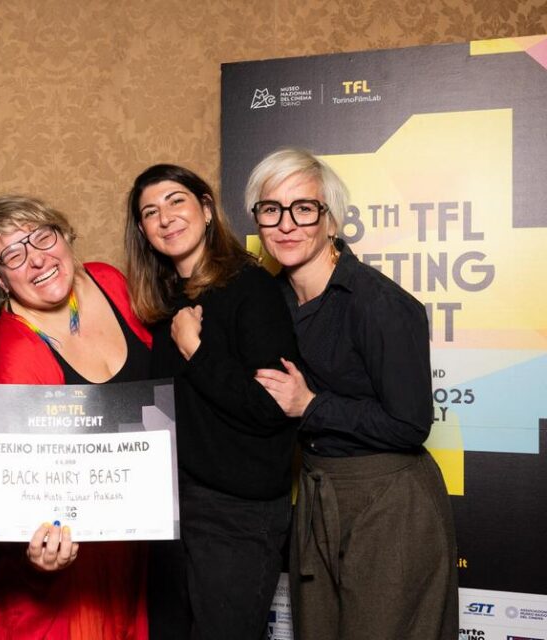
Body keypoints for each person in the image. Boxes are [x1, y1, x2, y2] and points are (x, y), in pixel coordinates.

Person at [247, 148, 457, 640]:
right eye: (271, 209)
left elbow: (409, 425)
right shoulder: (268, 301)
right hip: (317, 493)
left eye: (304, 208)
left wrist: (310, 406)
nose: (286, 224)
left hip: (390, 501)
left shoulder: (380, 304)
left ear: (331, 219)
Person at [125, 164, 300, 639]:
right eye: (150, 212)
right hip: (173, 509)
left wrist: (197, 351)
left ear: (205, 209)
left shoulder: (252, 288)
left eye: (176, 201)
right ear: (142, 230)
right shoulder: (163, 301)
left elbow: (272, 407)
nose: (165, 218)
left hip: (236, 515)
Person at [0, 195, 152, 639]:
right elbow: (9, 496)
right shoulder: (16, 353)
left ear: (65, 234)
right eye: (14, 255)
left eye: (43, 237)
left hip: (134, 550)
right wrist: (36, 552)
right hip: (64, 580)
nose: (37, 259)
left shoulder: (109, 282)